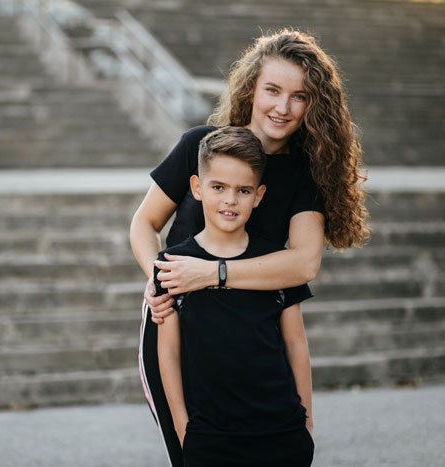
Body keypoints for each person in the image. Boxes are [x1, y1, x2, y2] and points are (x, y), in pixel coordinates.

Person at [130, 28, 370, 466]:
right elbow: (144, 224)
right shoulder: (200, 146)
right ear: (251, 89)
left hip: (250, 334)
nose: (282, 107)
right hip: (176, 324)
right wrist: (157, 277)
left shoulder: (303, 175)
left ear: (314, 105)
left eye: (298, 96)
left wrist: (214, 274)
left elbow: (304, 263)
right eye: (272, 90)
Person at [156, 126, 315, 466]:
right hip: (211, 436)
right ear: (197, 188)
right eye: (218, 187)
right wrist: (184, 428)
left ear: (258, 196)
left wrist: (307, 421)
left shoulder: (276, 263)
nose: (230, 200)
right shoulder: (173, 265)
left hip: (281, 430)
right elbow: (168, 352)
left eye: (243, 190)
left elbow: (296, 344)